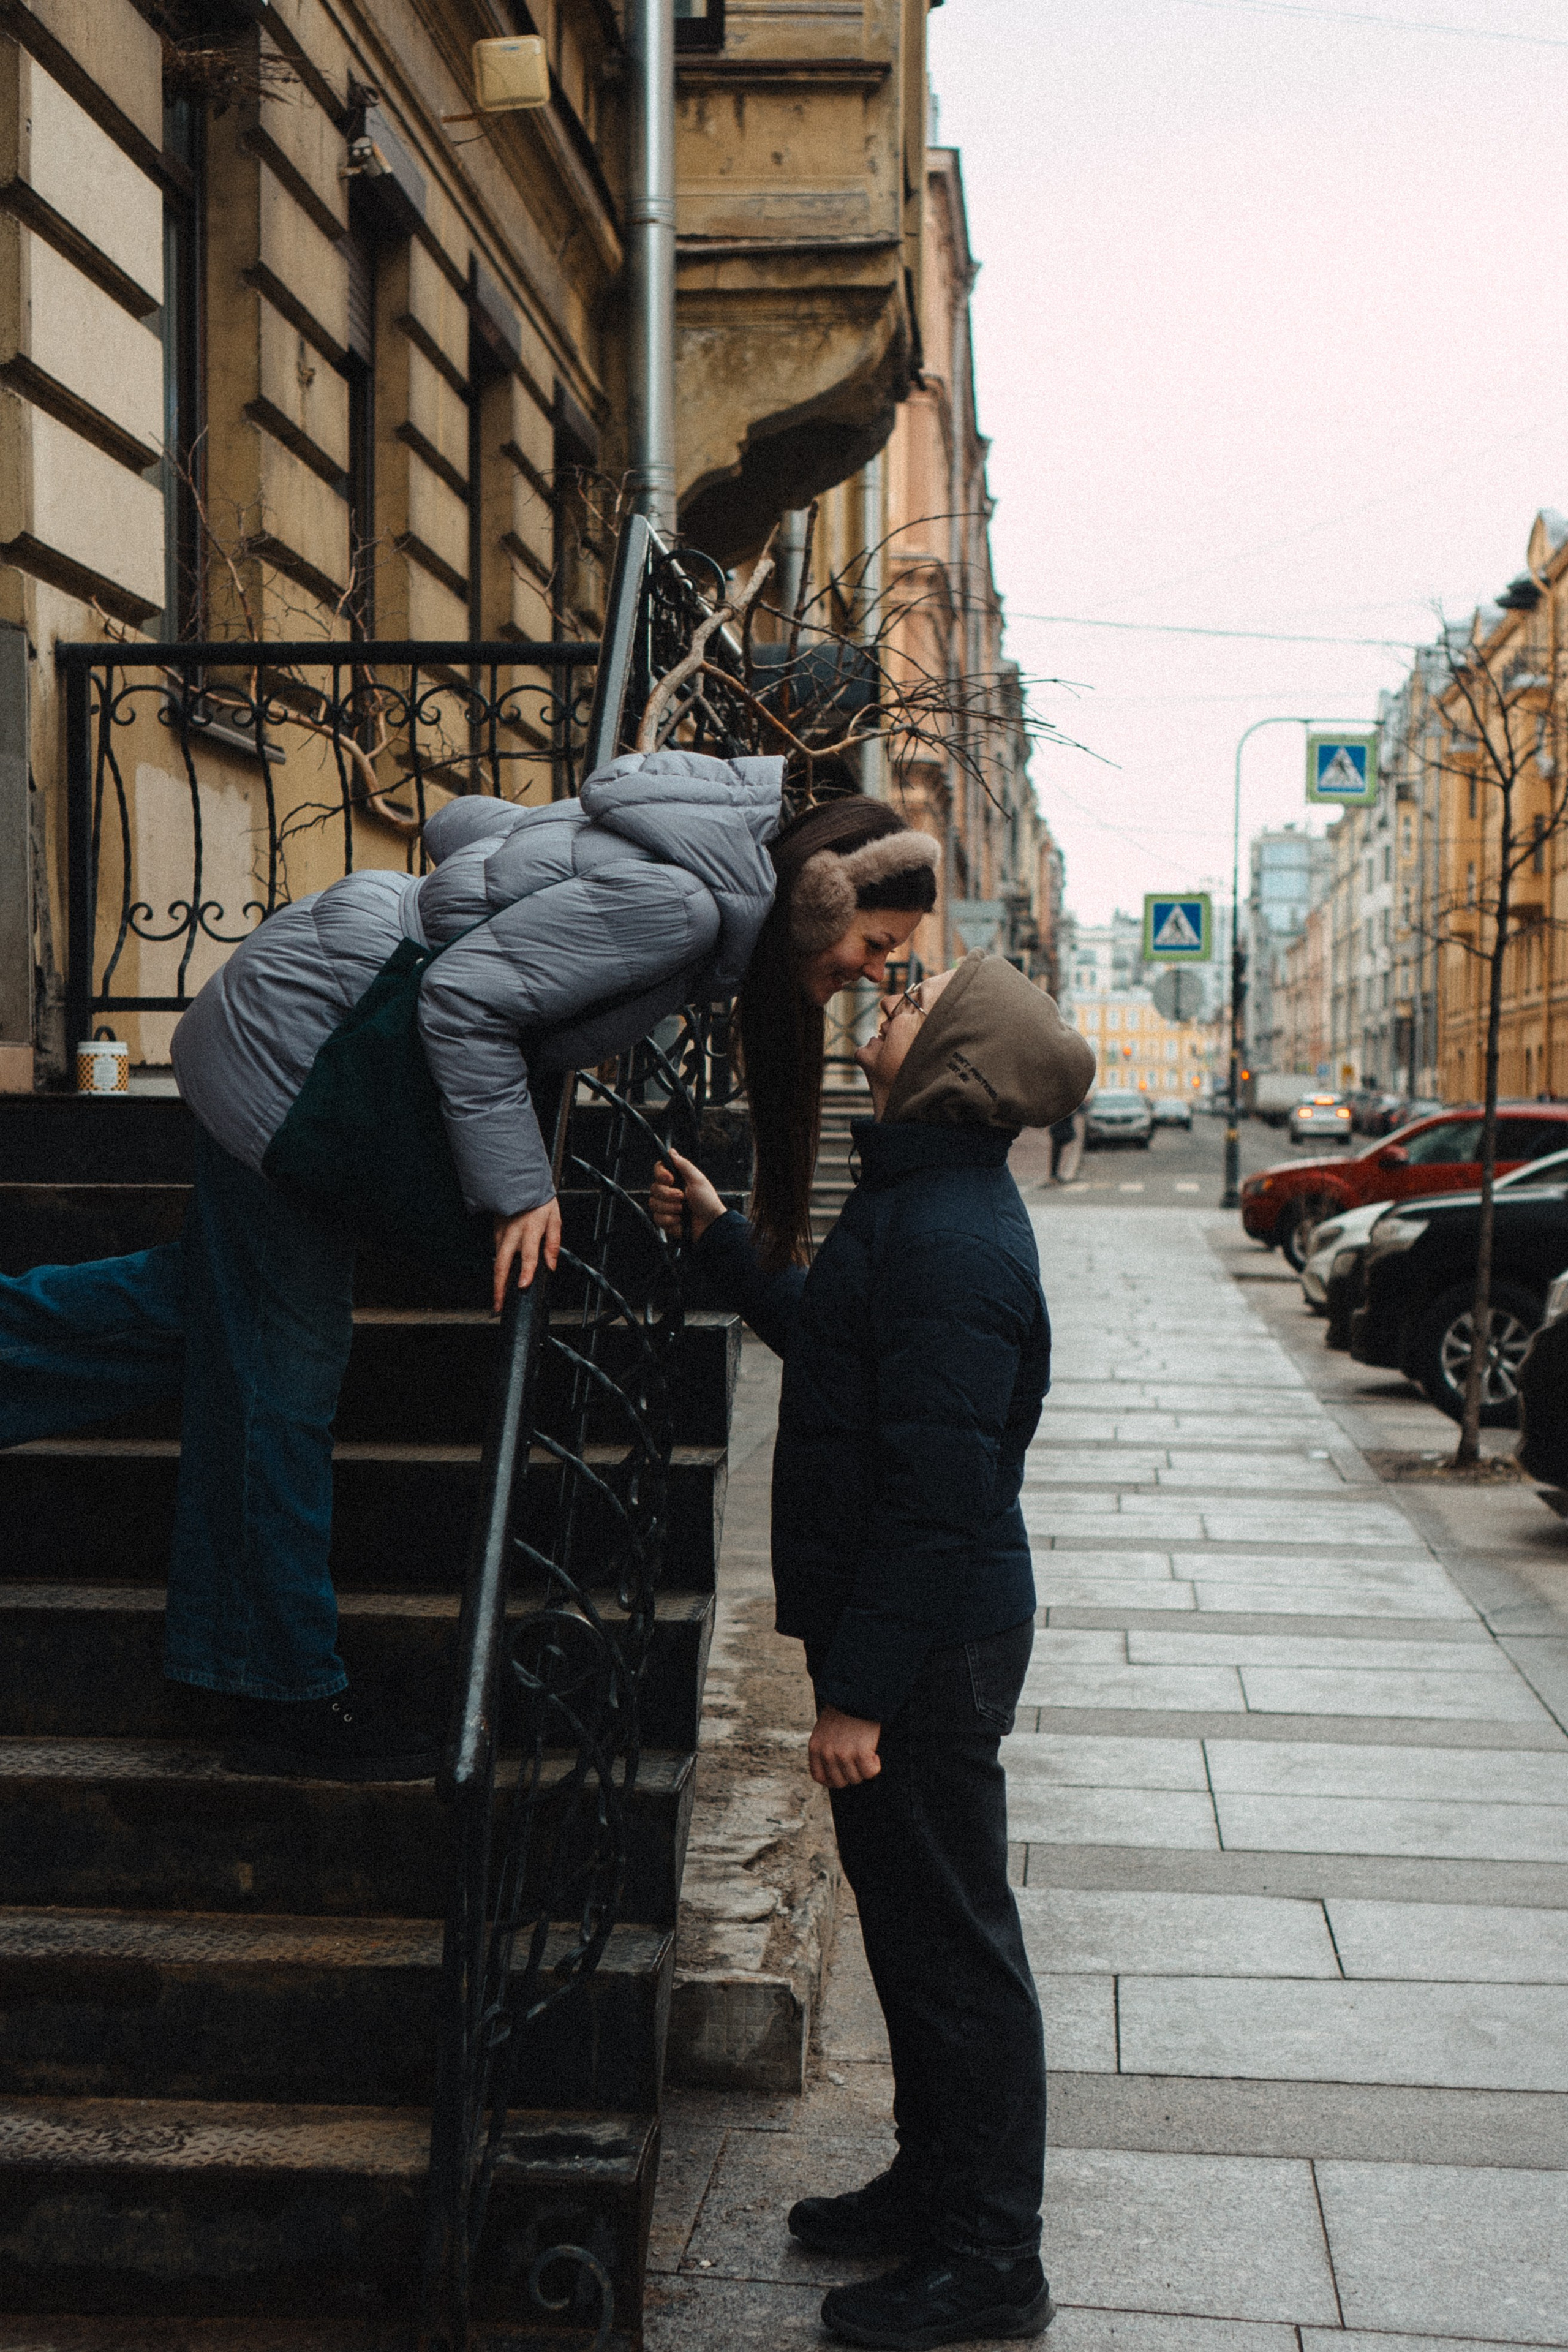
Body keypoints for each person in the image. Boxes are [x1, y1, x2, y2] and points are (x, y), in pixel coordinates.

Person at [0, 757, 938, 1779]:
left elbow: (463, 827)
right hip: (300, 1049)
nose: (875, 970)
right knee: (283, 1371)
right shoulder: (683, 906)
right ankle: (277, 1691)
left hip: (303, 1015)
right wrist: (521, 1190)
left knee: (212, 1314)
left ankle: (249, 1660)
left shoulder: (679, 860)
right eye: (875, 944)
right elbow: (461, 997)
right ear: (820, 897)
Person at [650, 952, 1096, 2351]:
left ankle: (991, 2258)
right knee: (909, 1937)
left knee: (957, 1954)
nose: (886, 1001)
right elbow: (842, 1353)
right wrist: (724, 1242)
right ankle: (932, 2182)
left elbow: (936, 1497)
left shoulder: (954, 1239)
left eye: (912, 1000)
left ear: (953, 1059)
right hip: (911, 1634)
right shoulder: (913, 1198)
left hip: (929, 1648)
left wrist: (857, 1696)